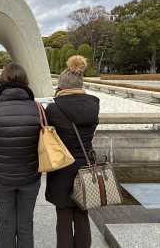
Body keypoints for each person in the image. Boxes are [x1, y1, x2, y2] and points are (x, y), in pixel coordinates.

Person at [0, 63, 40, 248]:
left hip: (2, 177)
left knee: (6, 224)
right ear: (25, 82)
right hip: (31, 175)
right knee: (26, 223)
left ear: (2, 81)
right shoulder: (38, 109)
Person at [45, 55, 100, 248]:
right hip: (86, 164)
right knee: (82, 215)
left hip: (62, 166)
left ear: (61, 87)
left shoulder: (53, 109)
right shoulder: (94, 104)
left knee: (64, 216)